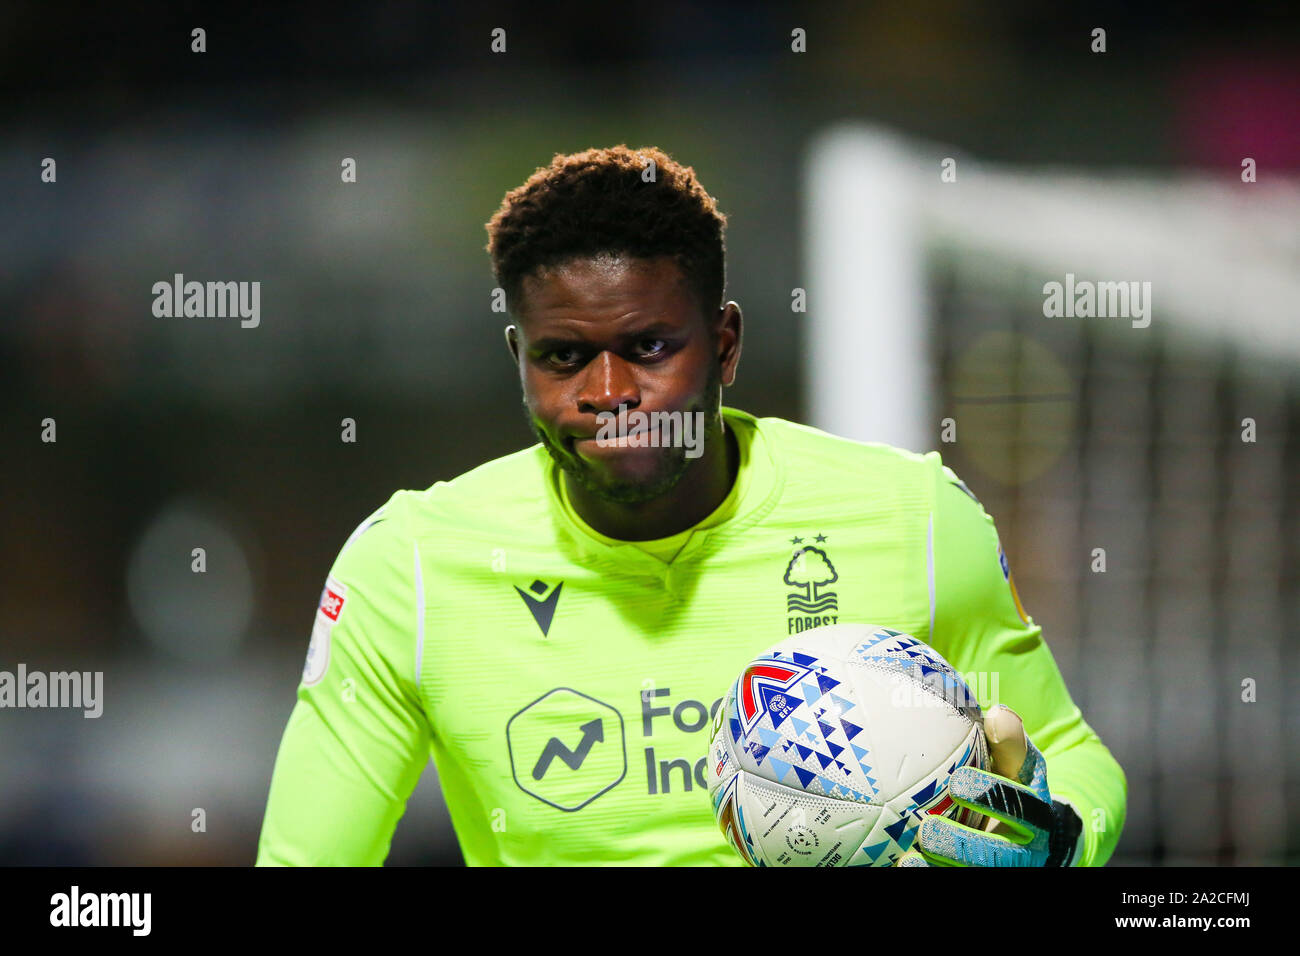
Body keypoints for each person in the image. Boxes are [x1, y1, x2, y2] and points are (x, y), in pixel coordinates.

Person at [256, 145, 1125, 866]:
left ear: (726, 344)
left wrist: (1050, 844)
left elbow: (1071, 754)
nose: (609, 392)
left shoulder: (913, 519)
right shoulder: (409, 568)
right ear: (519, 359)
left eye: (648, 347)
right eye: (564, 358)